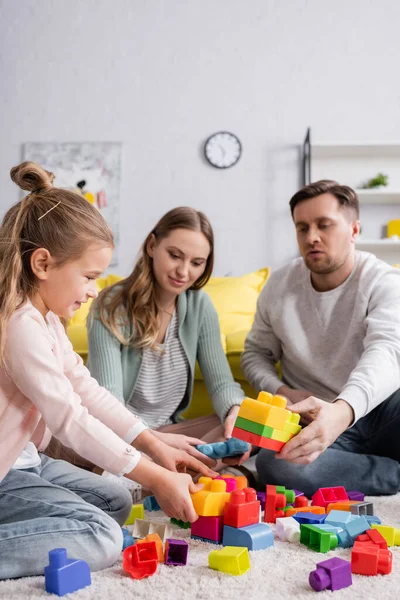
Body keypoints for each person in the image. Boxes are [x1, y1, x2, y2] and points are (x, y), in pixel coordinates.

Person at [0, 162, 216, 580]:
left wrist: (154, 446)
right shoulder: (20, 326)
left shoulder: (44, 320)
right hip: (6, 473)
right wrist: (154, 477)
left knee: (115, 501)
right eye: (88, 277)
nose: (93, 290)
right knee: (100, 537)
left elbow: (89, 391)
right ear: (42, 264)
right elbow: (69, 418)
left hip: (28, 462)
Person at [241, 179, 400, 497]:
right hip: (314, 417)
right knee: (277, 465)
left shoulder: (383, 280)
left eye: (324, 225)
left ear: (354, 230)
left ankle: (352, 465)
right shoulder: (279, 286)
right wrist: (283, 391)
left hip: (383, 410)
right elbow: (255, 354)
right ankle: (390, 472)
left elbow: (387, 350)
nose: (311, 237)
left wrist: (343, 410)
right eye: (302, 228)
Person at [87, 206, 249, 468]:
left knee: (241, 431)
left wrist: (235, 412)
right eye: (175, 255)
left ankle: (166, 474)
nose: (183, 272)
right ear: (152, 246)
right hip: (122, 435)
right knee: (115, 451)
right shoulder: (110, 305)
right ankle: (173, 473)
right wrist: (153, 443)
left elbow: (222, 384)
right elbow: (109, 405)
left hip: (170, 434)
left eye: (196, 263)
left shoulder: (199, 306)